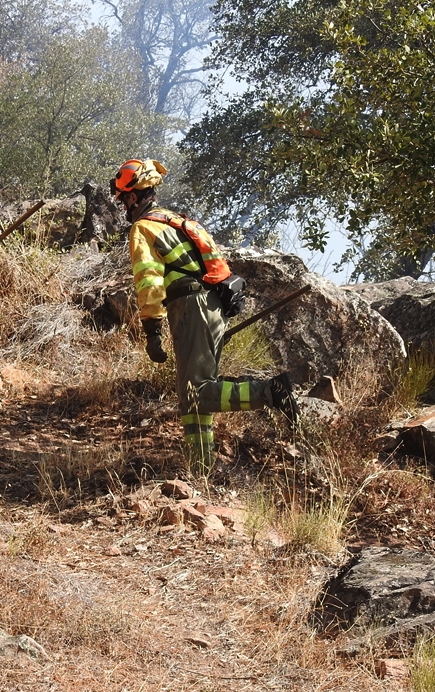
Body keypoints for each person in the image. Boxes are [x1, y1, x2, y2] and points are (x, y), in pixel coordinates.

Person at [110, 158, 298, 473]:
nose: (124, 206)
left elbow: (149, 280)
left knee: (196, 394)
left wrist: (152, 330)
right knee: (194, 395)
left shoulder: (144, 227)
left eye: (124, 198)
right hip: (212, 307)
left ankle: (270, 392)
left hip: (190, 306)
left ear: (133, 195)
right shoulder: (178, 221)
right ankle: (201, 470)